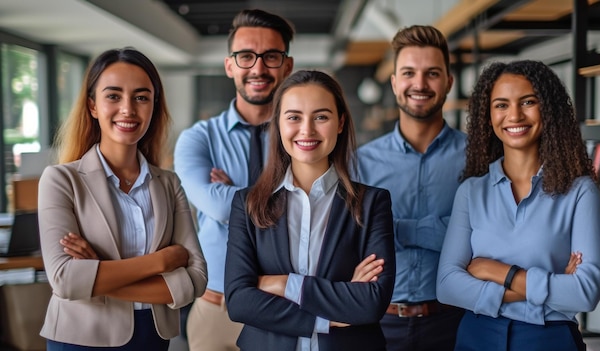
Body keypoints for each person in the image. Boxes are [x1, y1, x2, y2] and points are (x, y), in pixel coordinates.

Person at [37, 47, 208, 351]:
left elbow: (194, 281)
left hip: (153, 338)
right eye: (113, 96)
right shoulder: (61, 180)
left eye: (141, 97)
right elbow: (65, 280)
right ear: (92, 105)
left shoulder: (168, 183)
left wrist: (98, 274)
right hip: (80, 339)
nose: (128, 109)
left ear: (154, 106)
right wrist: (160, 261)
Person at [436, 60, 600, 350]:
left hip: (550, 338)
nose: (514, 115)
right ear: (488, 116)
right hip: (477, 337)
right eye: (501, 105)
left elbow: (585, 292)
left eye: (528, 102)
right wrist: (546, 286)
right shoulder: (471, 192)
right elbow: (447, 286)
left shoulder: (580, 192)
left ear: (548, 110)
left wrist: (498, 271)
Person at [224, 69, 395, 351]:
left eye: (321, 117)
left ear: (340, 123)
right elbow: (240, 302)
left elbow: (370, 303)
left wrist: (283, 285)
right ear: (277, 124)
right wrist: (326, 318)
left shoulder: (372, 202)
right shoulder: (248, 204)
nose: (307, 130)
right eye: (294, 117)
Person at [173, 8, 295, 351]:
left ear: (287, 65)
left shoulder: (305, 135)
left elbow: (322, 209)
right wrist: (283, 195)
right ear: (230, 65)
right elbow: (218, 206)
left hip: (287, 306)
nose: (258, 68)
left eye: (271, 56)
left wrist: (236, 194)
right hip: (217, 311)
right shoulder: (198, 139)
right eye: (245, 57)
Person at [356, 25, 466, 351]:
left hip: (456, 322)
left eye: (432, 73)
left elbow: (482, 239)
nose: (419, 84)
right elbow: (354, 239)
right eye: (408, 73)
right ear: (394, 83)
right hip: (377, 323)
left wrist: (393, 229)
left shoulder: (479, 159)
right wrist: (446, 232)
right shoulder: (361, 163)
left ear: (448, 82)